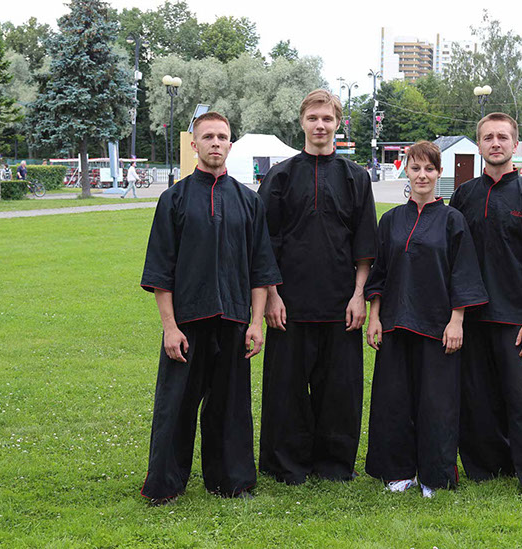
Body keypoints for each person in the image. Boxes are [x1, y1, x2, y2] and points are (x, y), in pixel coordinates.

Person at [139, 112, 281, 505]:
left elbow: (260, 270)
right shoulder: (174, 200)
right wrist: (170, 328)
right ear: (194, 144)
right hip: (187, 323)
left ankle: (232, 481)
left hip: (233, 321)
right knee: (175, 408)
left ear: (230, 144)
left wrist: (256, 323)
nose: (215, 143)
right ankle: (165, 485)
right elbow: (161, 270)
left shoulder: (248, 202)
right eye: (208, 137)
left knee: (231, 409)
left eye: (222, 137)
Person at [258, 89, 378, 486]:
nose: (320, 125)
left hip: (341, 304)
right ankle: (286, 464)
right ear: (302, 122)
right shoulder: (280, 176)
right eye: (313, 118)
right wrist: (272, 296)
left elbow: (364, 244)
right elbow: (264, 242)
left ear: (338, 123)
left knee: (339, 390)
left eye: (327, 119)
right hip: (288, 304)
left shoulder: (355, 177)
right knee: (286, 389)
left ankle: (334, 464)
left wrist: (359, 296)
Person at [449, 112, 522, 507]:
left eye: (502, 137)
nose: (495, 143)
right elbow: (451, 258)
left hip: (515, 320)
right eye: (488, 137)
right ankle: (489, 469)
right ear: (479, 145)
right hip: (471, 319)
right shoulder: (464, 196)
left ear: (515, 144)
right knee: (477, 401)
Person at [364, 141, 487, 498]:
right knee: (394, 400)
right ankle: (398, 471)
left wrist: (456, 320)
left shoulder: (452, 220)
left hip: (437, 327)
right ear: (406, 170)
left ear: (439, 173)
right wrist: (374, 317)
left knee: (437, 403)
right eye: (415, 168)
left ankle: (435, 475)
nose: (422, 175)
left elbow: (462, 273)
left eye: (429, 169)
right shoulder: (391, 220)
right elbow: (380, 273)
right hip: (395, 324)